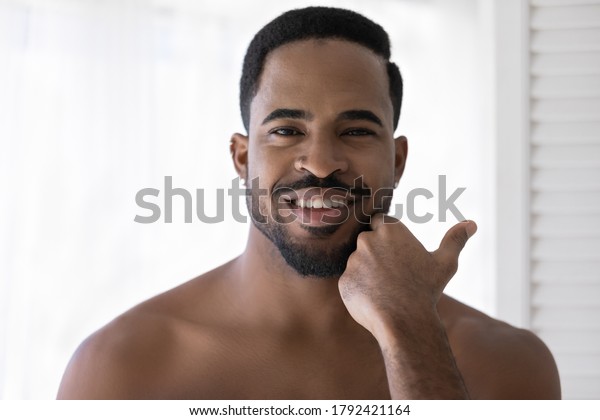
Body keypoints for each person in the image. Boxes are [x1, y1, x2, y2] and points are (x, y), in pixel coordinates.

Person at [57, 6, 561, 399]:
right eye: (286, 130)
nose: (321, 163)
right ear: (240, 156)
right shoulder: (121, 366)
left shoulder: (509, 365)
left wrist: (412, 334)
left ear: (398, 159)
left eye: (357, 129)